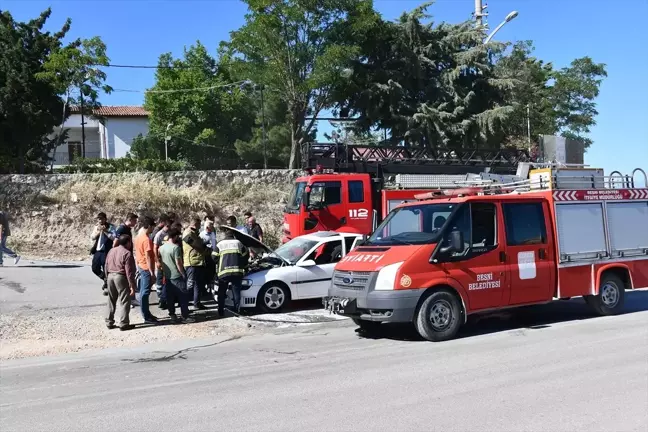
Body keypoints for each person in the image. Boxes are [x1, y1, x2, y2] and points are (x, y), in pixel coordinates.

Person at [159, 228, 194, 323]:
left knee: (170, 297)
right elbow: (178, 263)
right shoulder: (176, 248)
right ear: (175, 236)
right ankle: (185, 316)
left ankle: (172, 315)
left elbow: (161, 262)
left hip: (167, 276)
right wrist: (183, 274)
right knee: (183, 296)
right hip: (177, 276)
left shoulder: (161, 248)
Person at [214, 227, 249, 316]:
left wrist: (220, 262)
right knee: (236, 292)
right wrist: (245, 267)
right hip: (237, 272)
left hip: (223, 273)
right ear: (233, 235)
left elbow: (213, 257)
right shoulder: (238, 243)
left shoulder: (220, 244)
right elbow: (245, 256)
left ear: (225, 235)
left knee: (221, 292)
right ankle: (237, 311)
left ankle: (220, 311)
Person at [104, 234, 136, 331]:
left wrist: (106, 278)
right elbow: (129, 271)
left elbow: (106, 265)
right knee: (125, 300)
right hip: (120, 277)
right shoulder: (127, 253)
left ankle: (109, 321)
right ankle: (123, 323)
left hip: (110, 275)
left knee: (111, 299)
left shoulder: (111, 250)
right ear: (128, 242)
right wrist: (132, 285)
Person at [134, 216, 158, 323]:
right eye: (152, 227)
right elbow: (148, 256)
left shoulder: (138, 237)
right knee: (145, 293)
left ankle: (147, 313)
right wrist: (152, 272)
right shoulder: (146, 240)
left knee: (144, 291)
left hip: (140, 265)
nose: (153, 229)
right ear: (148, 226)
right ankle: (146, 316)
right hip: (145, 268)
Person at [183, 217, 209, 310]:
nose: (200, 226)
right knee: (190, 285)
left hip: (198, 262)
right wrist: (205, 250)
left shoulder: (195, 234)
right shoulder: (188, 233)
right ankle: (184, 305)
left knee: (198, 284)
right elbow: (195, 245)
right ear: (195, 224)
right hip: (191, 262)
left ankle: (197, 303)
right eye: (199, 224)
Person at [90, 212, 116, 296]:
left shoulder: (111, 227)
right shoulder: (96, 227)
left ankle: (107, 287)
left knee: (106, 268)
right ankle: (105, 279)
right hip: (98, 250)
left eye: (101, 219)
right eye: (98, 219)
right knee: (94, 268)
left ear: (105, 219)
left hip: (106, 251)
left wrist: (105, 231)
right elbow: (92, 237)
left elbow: (113, 237)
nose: (100, 220)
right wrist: (98, 231)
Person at [153, 216, 171, 309]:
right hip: (161, 259)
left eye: (170, 226)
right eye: (167, 226)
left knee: (168, 279)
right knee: (160, 280)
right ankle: (161, 298)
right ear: (164, 225)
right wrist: (157, 261)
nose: (168, 228)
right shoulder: (159, 235)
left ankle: (166, 298)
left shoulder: (171, 233)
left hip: (169, 260)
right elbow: (155, 248)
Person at [200, 219, 218, 296]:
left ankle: (211, 289)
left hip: (212, 256)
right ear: (207, 227)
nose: (213, 227)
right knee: (206, 273)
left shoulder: (213, 233)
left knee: (212, 273)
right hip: (206, 257)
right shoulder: (202, 235)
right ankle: (205, 290)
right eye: (211, 226)